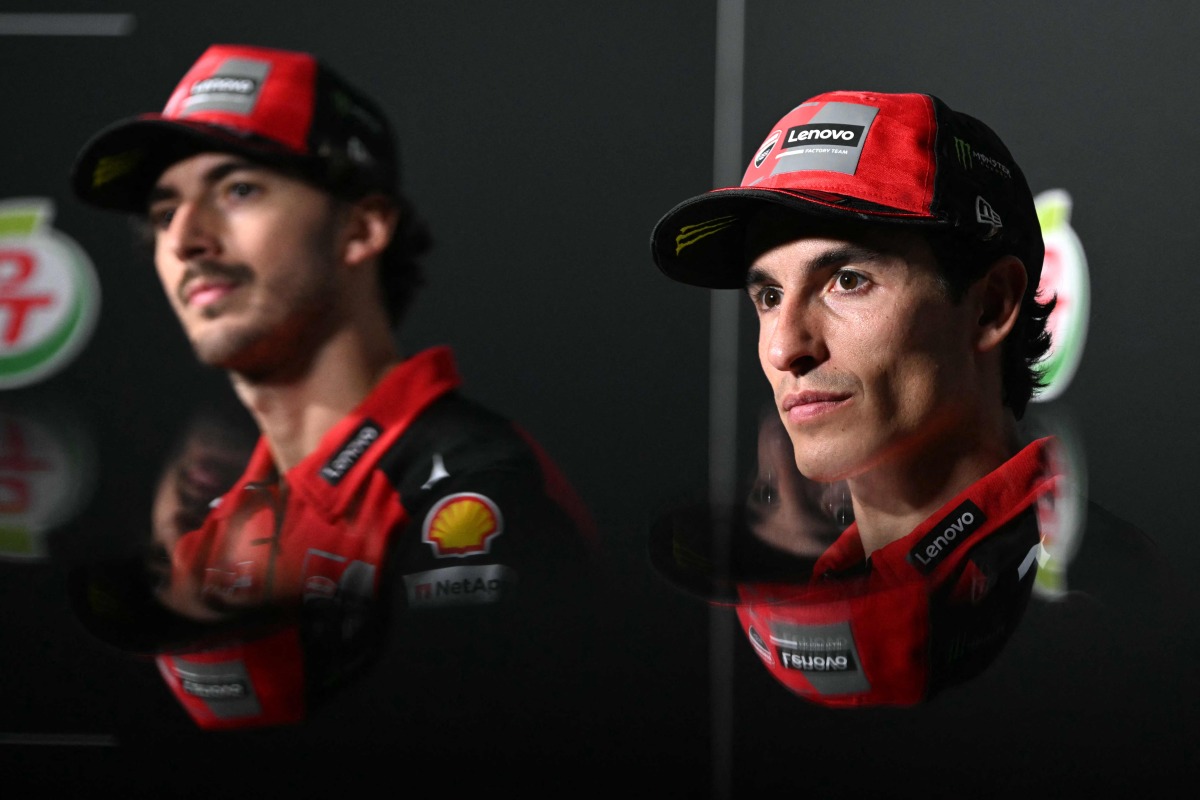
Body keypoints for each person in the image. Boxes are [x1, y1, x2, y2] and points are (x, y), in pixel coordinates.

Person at [68, 43, 596, 728]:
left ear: (362, 227)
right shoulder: (215, 531)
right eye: (165, 211)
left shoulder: (475, 491)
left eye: (238, 189)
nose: (184, 239)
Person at [650, 90, 1058, 589]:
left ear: (991, 305)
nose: (784, 350)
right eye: (770, 296)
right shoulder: (832, 606)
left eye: (847, 281)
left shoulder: (1091, 610)